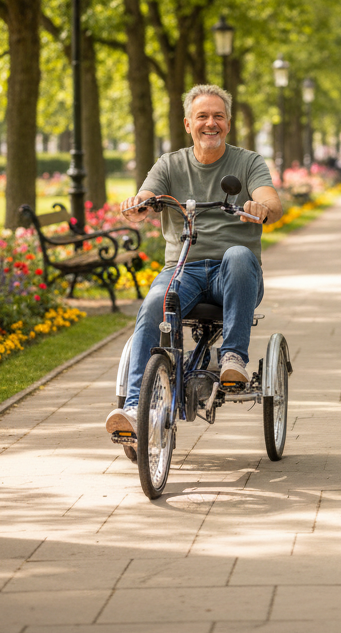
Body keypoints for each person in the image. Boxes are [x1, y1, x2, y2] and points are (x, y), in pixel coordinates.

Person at [106, 85, 284, 438]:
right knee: (155, 302)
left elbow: (271, 201)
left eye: (218, 116)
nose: (210, 123)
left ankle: (233, 358)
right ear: (188, 124)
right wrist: (140, 205)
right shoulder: (169, 164)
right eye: (202, 116)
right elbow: (147, 195)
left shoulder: (248, 162)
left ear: (228, 124)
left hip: (233, 274)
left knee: (237, 254)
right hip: (182, 269)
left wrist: (260, 207)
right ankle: (132, 410)